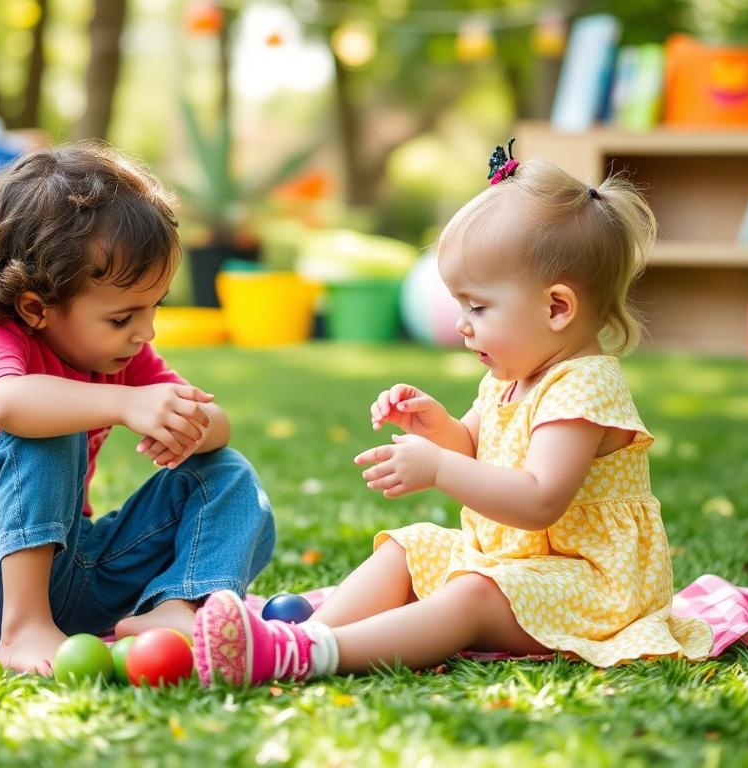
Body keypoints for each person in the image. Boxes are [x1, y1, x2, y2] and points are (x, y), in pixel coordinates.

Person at [192, 144, 713, 686]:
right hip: (521, 566)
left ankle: (311, 655)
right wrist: (437, 428)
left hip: (591, 589)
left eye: (478, 306)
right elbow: (474, 447)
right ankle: (302, 635)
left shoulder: (583, 387)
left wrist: (438, 469)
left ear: (557, 308)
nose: (462, 324)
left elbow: (538, 500)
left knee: (472, 595)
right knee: (408, 547)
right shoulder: (509, 379)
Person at [0, 143, 275, 674]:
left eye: (154, 307)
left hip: (71, 568)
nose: (145, 332)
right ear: (37, 307)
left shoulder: (124, 354)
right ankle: (24, 627)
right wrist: (123, 402)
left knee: (227, 472)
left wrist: (187, 423)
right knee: (49, 424)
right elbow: (7, 402)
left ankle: (179, 606)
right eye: (123, 318)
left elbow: (219, 427)